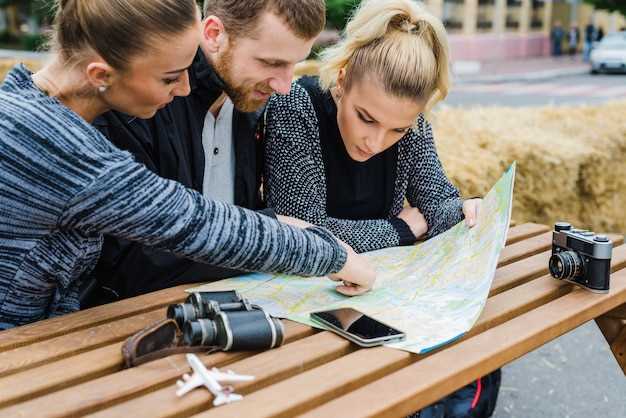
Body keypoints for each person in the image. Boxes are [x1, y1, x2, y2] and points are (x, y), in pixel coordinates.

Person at [0, 0, 375, 330]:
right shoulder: (59, 148)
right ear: (101, 75)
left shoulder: (21, 104)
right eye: (169, 77)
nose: (183, 89)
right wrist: (334, 255)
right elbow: (195, 223)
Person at [263, 0, 499, 416]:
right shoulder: (296, 107)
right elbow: (302, 233)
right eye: (365, 117)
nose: (376, 141)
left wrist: (468, 212)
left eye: (398, 129)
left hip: (378, 298)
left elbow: (439, 203)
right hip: (305, 308)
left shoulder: (411, 126)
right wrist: (402, 230)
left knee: (479, 358)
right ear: (342, 77)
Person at [86, 0, 329, 304]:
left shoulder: (249, 101)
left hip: (234, 307)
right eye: (270, 62)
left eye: (294, 64)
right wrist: (274, 232)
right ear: (214, 34)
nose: (283, 85)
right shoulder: (142, 100)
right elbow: (130, 261)